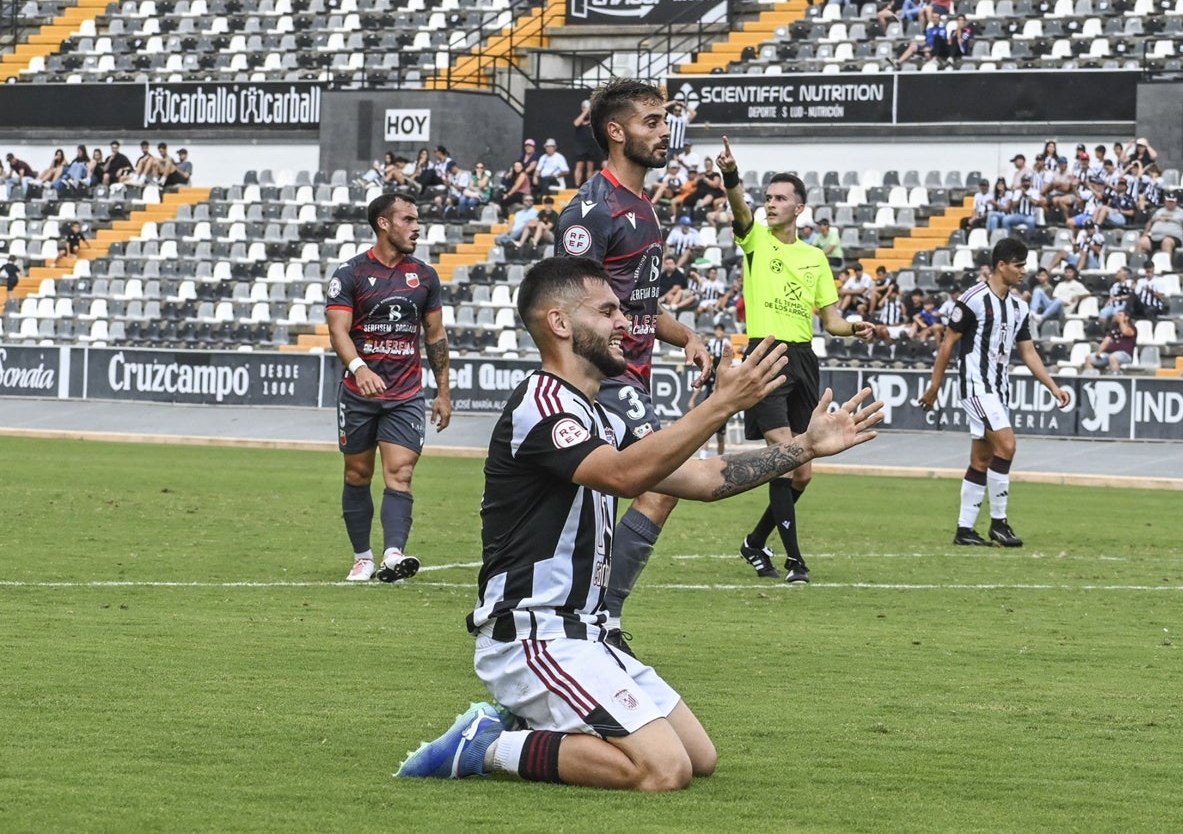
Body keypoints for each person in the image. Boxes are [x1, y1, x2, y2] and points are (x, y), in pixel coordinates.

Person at [394, 255, 884, 790]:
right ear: (560, 323)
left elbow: (700, 479)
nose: (625, 322)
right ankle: (487, 747)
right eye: (607, 311)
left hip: (590, 635)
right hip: (533, 635)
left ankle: (543, 719)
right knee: (661, 770)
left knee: (700, 757)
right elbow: (626, 477)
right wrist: (721, 405)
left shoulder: (600, 413)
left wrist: (804, 447)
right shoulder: (540, 404)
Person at [554, 78, 714, 652]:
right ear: (616, 132)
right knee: (662, 484)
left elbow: (640, 304)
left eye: (665, 118)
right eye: (651, 120)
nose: (664, 129)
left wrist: (686, 336)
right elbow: (567, 306)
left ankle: (586, 616)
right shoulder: (591, 212)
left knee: (604, 504)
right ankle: (601, 617)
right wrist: (581, 383)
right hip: (603, 382)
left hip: (634, 376)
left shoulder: (642, 206)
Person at [718, 135, 876, 583]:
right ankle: (795, 562)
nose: (771, 204)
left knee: (802, 472)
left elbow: (831, 319)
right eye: (767, 197)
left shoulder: (815, 258)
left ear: (799, 208)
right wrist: (731, 175)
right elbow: (739, 209)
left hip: (804, 360)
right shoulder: (756, 240)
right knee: (786, 455)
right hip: (764, 357)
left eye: (780, 198)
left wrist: (854, 326)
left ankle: (753, 542)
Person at [325, 192, 452, 583]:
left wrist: (443, 391)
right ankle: (363, 557)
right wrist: (360, 367)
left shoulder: (425, 276)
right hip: (359, 394)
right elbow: (337, 330)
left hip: (405, 394)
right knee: (357, 475)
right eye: (409, 219)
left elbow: (435, 335)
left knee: (400, 474)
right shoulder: (350, 274)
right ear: (384, 223)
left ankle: (393, 556)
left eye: (417, 219)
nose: (417, 227)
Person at [918, 237, 1070, 547]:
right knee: (1008, 446)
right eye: (1019, 265)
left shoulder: (1019, 306)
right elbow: (948, 343)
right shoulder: (972, 299)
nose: (1023, 271)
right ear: (1001, 265)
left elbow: (1028, 352)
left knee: (982, 458)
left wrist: (1052, 386)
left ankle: (964, 530)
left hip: (999, 389)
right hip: (976, 386)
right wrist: (935, 385)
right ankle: (999, 524)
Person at [688, 322, 733, 457]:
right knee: (706, 429)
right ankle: (703, 454)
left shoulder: (725, 375)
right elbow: (701, 385)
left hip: (722, 404)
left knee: (720, 434)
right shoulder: (710, 372)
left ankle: (721, 458)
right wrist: (692, 400)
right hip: (710, 402)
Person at [1136, 193, 1183, 258]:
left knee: (1166, 242)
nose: (1170, 203)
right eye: (1169, 201)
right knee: (1141, 242)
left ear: (1175, 202)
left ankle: (1166, 265)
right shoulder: (1159, 211)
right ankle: (1138, 263)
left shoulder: (1181, 212)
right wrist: (1145, 233)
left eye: (1172, 202)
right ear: (1165, 202)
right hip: (1155, 237)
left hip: (1173, 238)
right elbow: (1151, 222)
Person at [572, 99, 603, 187]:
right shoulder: (580, 118)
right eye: (585, 108)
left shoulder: (593, 120)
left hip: (592, 146)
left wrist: (591, 113)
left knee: (590, 167)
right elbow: (576, 123)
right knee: (579, 166)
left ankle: (588, 187)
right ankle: (577, 186)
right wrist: (585, 112)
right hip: (581, 146)